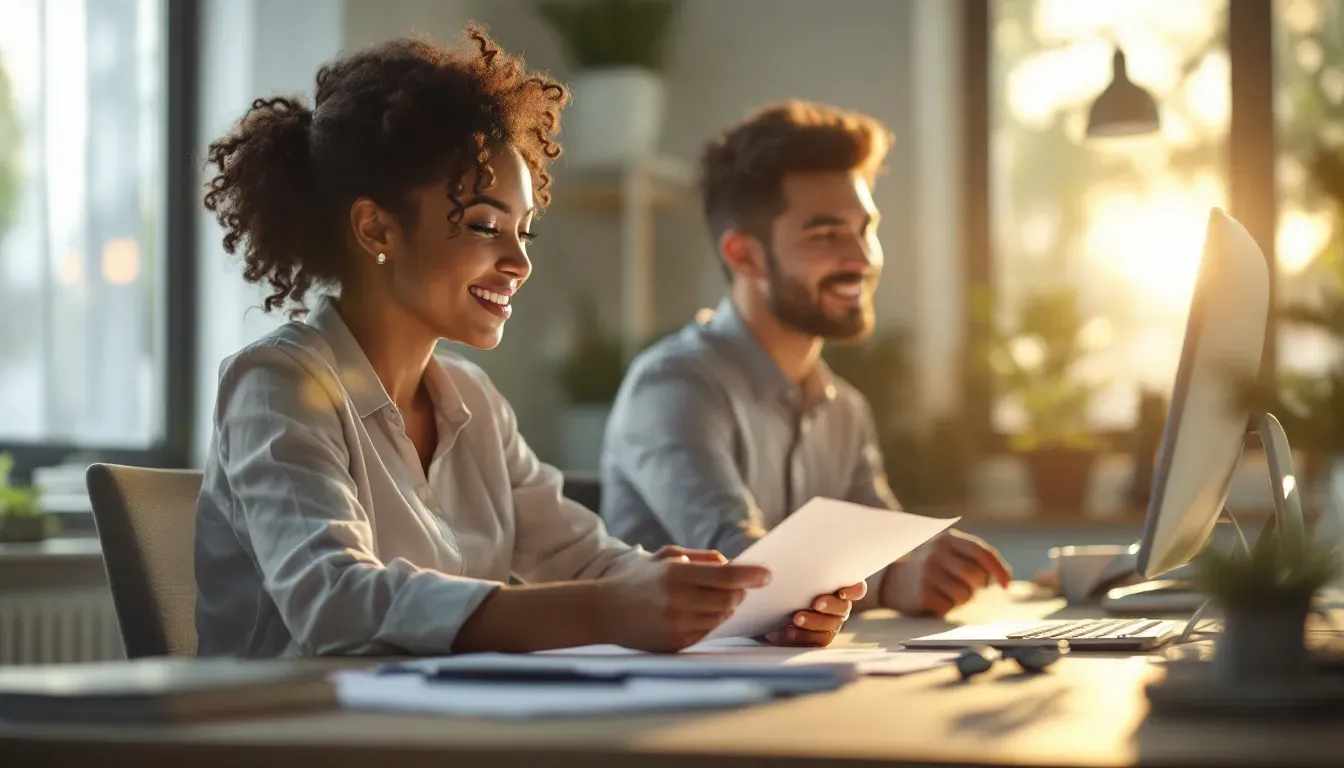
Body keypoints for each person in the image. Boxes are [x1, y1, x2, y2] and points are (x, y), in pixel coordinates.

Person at [193, 28, 865, 658]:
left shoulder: (472, 400)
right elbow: (333, 602)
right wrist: (607, 610)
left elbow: (589, 560)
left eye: (526, 232)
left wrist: (741, 600)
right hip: (295, 737)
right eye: (487, 226)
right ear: (376, 229)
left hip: (442, 732)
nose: (520, 262)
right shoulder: (277, 383)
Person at [601, 101, 1012, 617]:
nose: (862, 259)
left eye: (866, 229)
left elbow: (888, 546)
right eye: (826, 234)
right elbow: (739, 564)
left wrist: (928, 564)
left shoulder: (845, 410)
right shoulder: (673, 387)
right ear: (744, 256)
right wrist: (891, 584)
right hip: (665, 688)